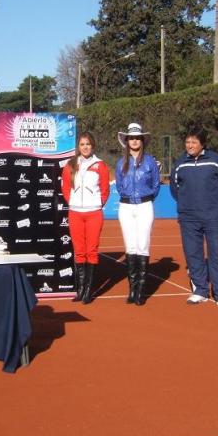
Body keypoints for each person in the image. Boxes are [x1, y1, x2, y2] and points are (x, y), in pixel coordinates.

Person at [171, 127, 218, 309]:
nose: (190, 145)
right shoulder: (180, 163)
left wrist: (215, 206)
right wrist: (186, 205)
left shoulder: (216, 161)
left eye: (194, 142)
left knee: (217, 253)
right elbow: (175, 189)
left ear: (203, 144)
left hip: (213, 217)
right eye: (187, 142)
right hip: (188, 217)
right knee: (193, 253)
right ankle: (200, 290)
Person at [61, 132, 110, 304]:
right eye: (82, 144)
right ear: (78, 147)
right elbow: (65, 188)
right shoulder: (70, 165)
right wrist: (73, 202)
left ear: (93, 146)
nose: (85, 147)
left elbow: (105, 190)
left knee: (91, 251)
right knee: (79, 251)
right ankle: (80, 289)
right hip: (75, 213)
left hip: (94, 213)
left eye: (88, 144)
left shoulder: (100, 165)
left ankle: (89, 290)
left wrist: (96, 203)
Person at [115, 123, 160, 306]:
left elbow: (156, 185)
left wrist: (145, 198)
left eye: (137, 138)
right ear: (126, 141)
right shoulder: (120, 163)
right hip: (125, 207)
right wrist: (129, 196)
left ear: (142, 140)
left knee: (142, 245)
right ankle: (132, 290)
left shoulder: (150, 162)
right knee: (130, 246)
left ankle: (141, 290)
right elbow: (119, 186)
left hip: (144, 206)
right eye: (131, 138)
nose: (134, 141)